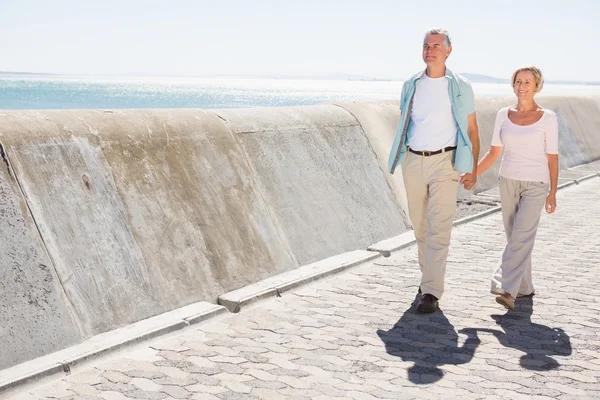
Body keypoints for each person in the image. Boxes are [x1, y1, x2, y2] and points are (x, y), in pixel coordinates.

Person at [388, 28, 480, 313]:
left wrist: (472, 168)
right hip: (414, 161)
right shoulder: (411, 84)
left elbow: (473, 129)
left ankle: (430, 291)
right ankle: (428, 278)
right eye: (426, 45)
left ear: (448, 51)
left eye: (436, 45)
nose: (430, 50)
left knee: (439, 228)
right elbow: (406, 122)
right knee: (420, 227)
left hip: (446, 163)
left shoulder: (460, 86)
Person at [475, 66, 559, 310]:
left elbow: (552, 157)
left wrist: (553, 192)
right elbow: (493, 153)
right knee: (515, 237)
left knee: (522, 234)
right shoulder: (503, 114)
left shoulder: (548, 118)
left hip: (537, 183)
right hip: (508, 180)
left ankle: (507, 289)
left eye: (527, 82)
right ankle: (525, 287)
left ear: (536, 86)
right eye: (518, 82)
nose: (521, 86)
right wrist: (472, 174)